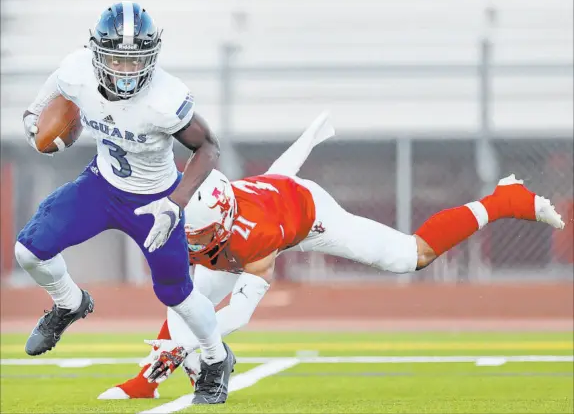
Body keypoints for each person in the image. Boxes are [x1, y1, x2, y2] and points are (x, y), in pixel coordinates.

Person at [98, 111, 565, 399]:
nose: (187, 241)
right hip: (264, 211)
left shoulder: (253, 236)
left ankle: (504, 200)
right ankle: (148, 381)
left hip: (309, 215)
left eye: (194, 234)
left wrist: (184, 347)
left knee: (410, 256)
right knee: (188, 301)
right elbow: (183, 290)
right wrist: (175, 348)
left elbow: (239, 311)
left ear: (218, 222)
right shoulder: (200, 214)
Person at [15, 1, 235, 405]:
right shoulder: (77, 70)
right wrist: (34, 115)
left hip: (155, 201)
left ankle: (215, 358)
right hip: (101, 185)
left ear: (152, 58)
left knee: (177, 294)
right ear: (97, 54)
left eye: (136, 62)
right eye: (117, 59)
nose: (126, 71)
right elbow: (52, 91)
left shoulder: (166, 98)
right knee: (28, 251)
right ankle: (69, 303)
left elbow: (208, 147)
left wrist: (177, 202)